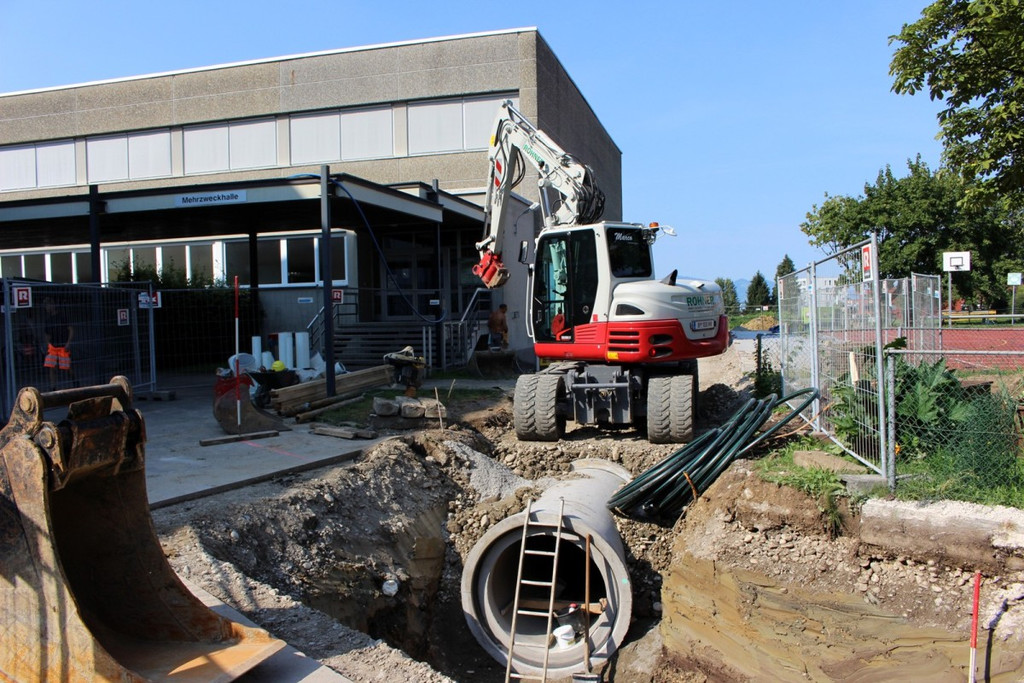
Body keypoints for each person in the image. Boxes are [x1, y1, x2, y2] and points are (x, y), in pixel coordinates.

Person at [43, 298, 74, 391]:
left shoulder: (62, 317)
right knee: (51, 367)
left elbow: (71, 329)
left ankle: (75, 382)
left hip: (63, 346)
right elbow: (46, 334)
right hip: (53, 346)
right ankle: (53, 387)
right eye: (46, 306)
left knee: (67, 367)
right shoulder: (48, 320)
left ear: (53, 305)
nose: (47, 308)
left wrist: (68, 343)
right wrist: (47, 344)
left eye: (48, 305)